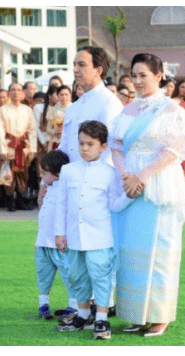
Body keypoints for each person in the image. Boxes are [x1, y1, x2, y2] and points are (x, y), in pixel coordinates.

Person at [110, 53, 185, 337]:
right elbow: (116, 146)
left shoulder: (172, 111)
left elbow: (174, 150)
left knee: (159, 250)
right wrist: (126, 176)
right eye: (133, 75)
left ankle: (160, 315)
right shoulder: (126, 111)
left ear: (159, 76)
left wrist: (143, 177)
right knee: (131, 250)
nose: (137, 81)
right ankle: (136, 314)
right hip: (129, 186)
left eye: (143, 75)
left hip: (158, 184)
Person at [56, 121, 131, 340]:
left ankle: (101, 318)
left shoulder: (110, 173)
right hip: (73, 236)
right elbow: (61, 204)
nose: (84, 148)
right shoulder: (68, 170)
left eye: (90, 144)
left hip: (100, 236)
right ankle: (82, 314)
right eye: (81, 143)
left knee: (101, 276)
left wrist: (129, 195)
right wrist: (60, 233)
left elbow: (115, 204)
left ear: (104, 146)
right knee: (76, 276)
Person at [35, 150, 77, 321]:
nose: (41, 175)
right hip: (43, 242)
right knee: (43, 273)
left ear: (58, 175)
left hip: (59, 245)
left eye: (44, 173)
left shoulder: (66, 190)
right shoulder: (48, 187)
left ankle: (74, 305)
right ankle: (43, 303)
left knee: (69, 274)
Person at [0, 83, 37, 211]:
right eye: (13, 90)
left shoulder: (28, 110)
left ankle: (20, 199)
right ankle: (10, 201)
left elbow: (32, 130)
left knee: (23, 175)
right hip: (9, 145)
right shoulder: (3, 110)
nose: (16, 92)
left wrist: (33, 149)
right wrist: (2, 150)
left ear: (23, 93)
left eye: (19, 90)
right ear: (9, 93)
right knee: (9, 174)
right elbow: (0, 130)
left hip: (23, 147)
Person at [43, 86, 72, 152]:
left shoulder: (74, 108)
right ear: (58, 96)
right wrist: (55, 132)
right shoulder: (53, 109)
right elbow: (48, 127)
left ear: (70, 95)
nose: (64, 97)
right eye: (61, 95)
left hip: (70, 140)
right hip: (55, 140)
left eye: (66, 94)